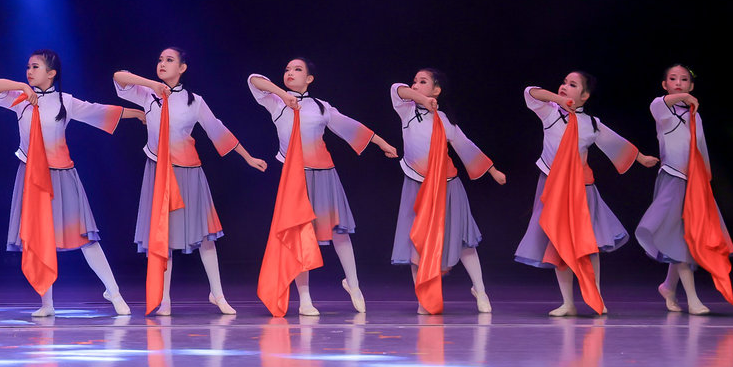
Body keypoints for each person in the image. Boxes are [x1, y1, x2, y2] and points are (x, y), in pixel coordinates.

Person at [0, 50, 144, 315]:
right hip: (31, 176)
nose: (29, 71)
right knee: (39, 238)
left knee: (85, 236)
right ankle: (47, 304)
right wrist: (22, 87)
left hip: (61, 175)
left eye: (35, 67)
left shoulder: (65, 102)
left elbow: (99, 111)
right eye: (28, 67)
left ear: (51, 73)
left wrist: (136, 113)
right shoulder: (19, 99)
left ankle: (114, 292)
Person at [116, 48, 268, 316]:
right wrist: (152, 85)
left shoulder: (194, 101)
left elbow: (217, 130)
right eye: (160, 59)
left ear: (182, 68)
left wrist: (248, 157)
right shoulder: (147, 94)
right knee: (163, 236)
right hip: (158, 171)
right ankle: (164, 299)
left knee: (205, 235)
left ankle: (218, 294)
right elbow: (119, 76)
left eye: (169, 60)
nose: (162, 64)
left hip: (188, 171)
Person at [248, 59, 398, 314]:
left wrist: (382, 143)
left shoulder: (321, 107)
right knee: (299, 235)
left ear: (309, 79)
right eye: (287, 69)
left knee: (339, 231)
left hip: (325, 174)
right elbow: (254, 79)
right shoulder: (276, 102)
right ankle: (305, 299)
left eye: (297, 70)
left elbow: (351, 126)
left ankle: (354, 285)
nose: (290, 73)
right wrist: (283, 95)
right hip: (296, 178)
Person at [514, 71, 658, 316]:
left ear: (585, 95)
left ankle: (596, 295)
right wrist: (559, 100)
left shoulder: (591, 123)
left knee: (588, 244)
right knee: (558, 243)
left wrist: (642, 158)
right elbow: (530, 92)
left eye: (572, 85)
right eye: (564, 82)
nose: (564, 86)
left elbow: (615, 142)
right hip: (553, 187)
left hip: (582, 190)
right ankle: (568, 303)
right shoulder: (550, 113)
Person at [389, 69, 507, 313]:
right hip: (416, 184)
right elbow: (396, 88)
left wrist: (493, 170)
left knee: (463, 239)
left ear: (437, 90)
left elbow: (466, 147)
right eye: (414, 81)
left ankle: (480, 290)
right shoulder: (407, 111)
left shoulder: (443, 120)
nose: (415, 85)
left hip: (447, 186)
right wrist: (421, 99)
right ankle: (424, 297)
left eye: (422, 82)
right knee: (416, 242)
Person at [634, 64, 733, 315]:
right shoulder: (661, 108)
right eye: (673, 79)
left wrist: (705, 183)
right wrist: (685, 98)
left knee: (683, 240)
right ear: (665, 85)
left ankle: (668, 287)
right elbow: (660, 103)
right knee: (679, 239)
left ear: (692, 85)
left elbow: (701, 149)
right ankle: (692, 299)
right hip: (671, 178)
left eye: (684, 79)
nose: (678, 82)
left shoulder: (695, 116)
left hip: (692, 183)